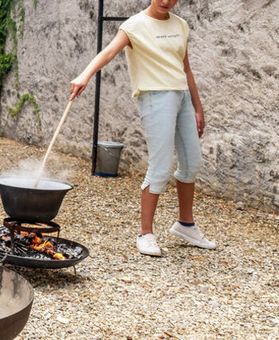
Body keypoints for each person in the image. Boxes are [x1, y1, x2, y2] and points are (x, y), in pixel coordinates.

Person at [69, 0, 215, 256]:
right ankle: (145, 233)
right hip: (155, 97)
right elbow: (108, 53)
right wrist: (85, 75)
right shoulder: (134, 25)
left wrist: (197, 106)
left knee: (191, 163)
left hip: (181, 97)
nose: (166, 1)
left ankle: (186, 224)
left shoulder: (181, 25)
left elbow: (186, 67)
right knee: (160, 167)